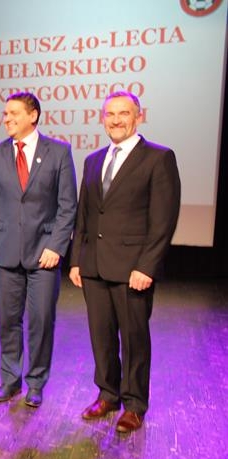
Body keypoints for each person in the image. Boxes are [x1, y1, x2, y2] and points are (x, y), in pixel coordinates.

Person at [70, 91, 181, 433]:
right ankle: (108, 394)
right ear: (103, 118)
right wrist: (76, 261)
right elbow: (84, 215)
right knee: (101, 336)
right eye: (110, 114)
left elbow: (163, 221)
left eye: (124, 113)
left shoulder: (158, 158)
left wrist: (147, 266)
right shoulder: (93, 160)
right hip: (94, 266)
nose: (116, 120)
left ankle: (134, 404)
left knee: (134, 340)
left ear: (138, 117)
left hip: (133, 269)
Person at [0, 92, 77, 408]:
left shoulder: (59, 152)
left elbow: (67, 206)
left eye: (13, 113)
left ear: (33, 115)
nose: (7, 119)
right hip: (6, 252)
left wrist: (57, 247)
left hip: (44, 254)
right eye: (5, 114)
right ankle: (10, 380)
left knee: (40, 320)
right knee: (8, 321)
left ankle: (36, 382)